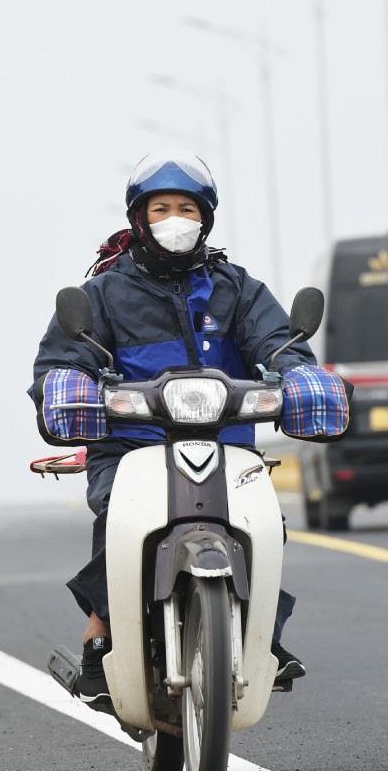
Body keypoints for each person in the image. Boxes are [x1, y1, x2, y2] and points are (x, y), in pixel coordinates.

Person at [28, 149, 349, 711]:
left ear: (206, 218)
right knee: (118, 518)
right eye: (161, 208)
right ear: (139, 217)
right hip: (131, 448)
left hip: (226, 446)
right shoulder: (102, 294)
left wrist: (301, 377)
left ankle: (260, 636)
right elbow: (63, 360)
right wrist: (68, 386)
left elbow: (279, 344)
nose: (175, 219)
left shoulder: (237, 290)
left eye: (187, 208)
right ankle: (100, 634)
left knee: (265, 521)